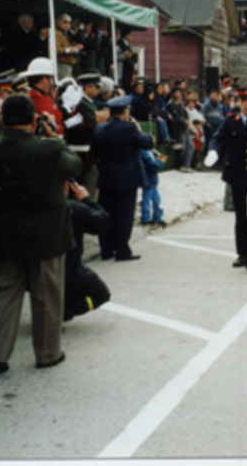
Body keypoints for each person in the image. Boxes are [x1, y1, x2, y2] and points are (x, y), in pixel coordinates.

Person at [0, 94, 83, 376]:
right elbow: (74, 165)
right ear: (34, 120)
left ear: (1, 119)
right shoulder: (50, 149)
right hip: (47, 235)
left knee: (4, 294)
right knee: (47, 296)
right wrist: (53, 136)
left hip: (3, 234)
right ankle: (47, 353)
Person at [204, 86, 247, 270]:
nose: (246, 104)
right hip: (237, 173)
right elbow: (218, 138)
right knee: (241, 215)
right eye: (242, 100)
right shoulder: (231, 121)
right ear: (237, 102)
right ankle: (242, 253)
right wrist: (213, 151)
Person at [91, 95, 154, 261]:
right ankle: (122, 250)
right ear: (125, 112)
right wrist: (139, 130)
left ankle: (106, 249)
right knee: (124, 215)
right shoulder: (129, 128)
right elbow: (147, 143)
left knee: (107, 213)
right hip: (127, 176)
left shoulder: (99, 129)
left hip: (107, 175)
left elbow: (94, 153)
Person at [64, 180, 111, 322]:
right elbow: (102, 222)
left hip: (30, 271)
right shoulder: (72, 208)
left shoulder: (27, 206)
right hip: (69, 271)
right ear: (66, 186)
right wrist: (86, 199)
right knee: (101, 294)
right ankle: (64, 310)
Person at [140, 147, 168, 227]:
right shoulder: (144, 151)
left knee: (156, 199)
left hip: (151, 180)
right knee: (147, 199)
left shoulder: (149, 151)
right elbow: (151, 165)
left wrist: (157, 160)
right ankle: (146, 218)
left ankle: (157, 217)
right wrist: (160, 162)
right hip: (148, 180)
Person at [55, 14, 83, 80]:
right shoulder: (56, 33)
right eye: (65, 22)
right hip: (62, 64)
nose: (67, 24)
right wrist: (69, 50)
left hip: (70, 63)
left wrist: (76, 48)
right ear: (59, 22)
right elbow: (55, 49)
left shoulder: (67, 33)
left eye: (69, 23)